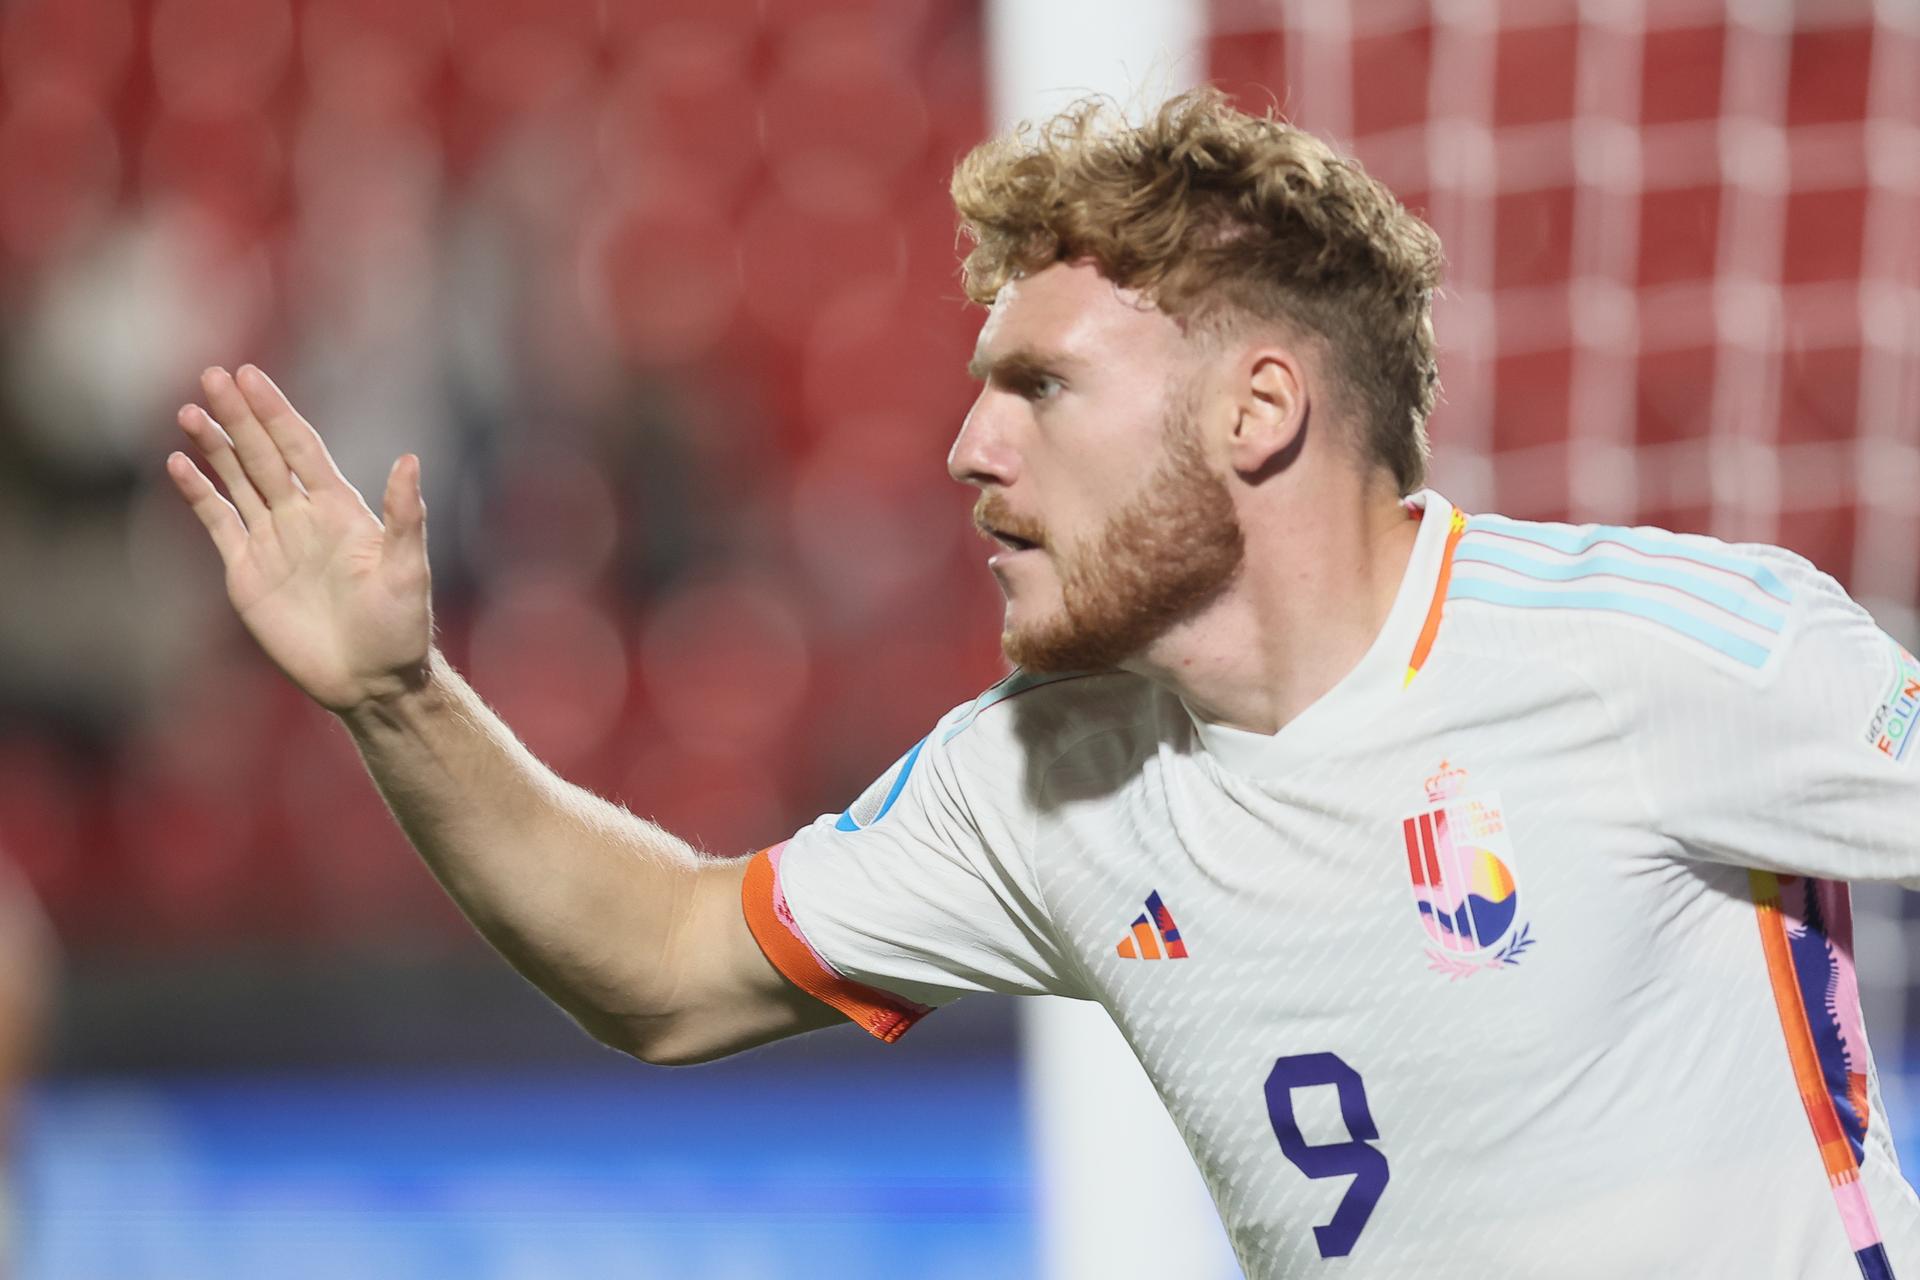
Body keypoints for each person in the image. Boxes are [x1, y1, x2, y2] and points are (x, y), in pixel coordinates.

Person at [165, 88, 1920, 1277]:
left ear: (1257, 410)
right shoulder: (1044, 781)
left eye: (1040, 388)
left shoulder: (1659, 654)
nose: (964, 445)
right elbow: (669, 972)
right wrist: (397, 696)